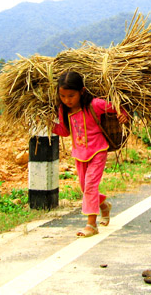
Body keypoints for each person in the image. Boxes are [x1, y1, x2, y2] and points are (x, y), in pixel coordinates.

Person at [52, 71, 129, 237]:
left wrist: (123, 115)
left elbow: (116, 107)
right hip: (79, 153)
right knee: (84, 187)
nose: (67, 100)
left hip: (98, 150)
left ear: (82, 91)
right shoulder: (63, 110)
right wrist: (50, 125)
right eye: (63, 96)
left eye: (71, 96)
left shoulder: (95, 104)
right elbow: (65, 131)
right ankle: (103, 206)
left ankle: (91, 224)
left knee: (90, 186)